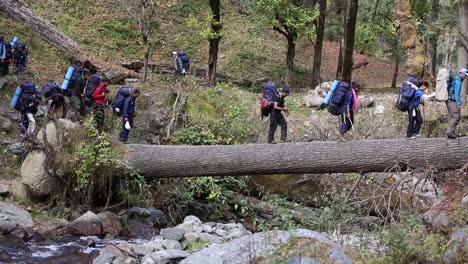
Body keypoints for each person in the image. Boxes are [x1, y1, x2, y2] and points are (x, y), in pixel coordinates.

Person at [446, 68, 468, 139]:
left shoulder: (455, 78)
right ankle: (449, 132)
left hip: (449, 100)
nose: (466, 76)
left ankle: (451, 132)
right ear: (461, 73)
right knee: (456, 116)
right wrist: (459, 104)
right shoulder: (458, 81)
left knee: (452, 116)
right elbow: (456, 94)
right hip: (452, 101)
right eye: (465, 75)